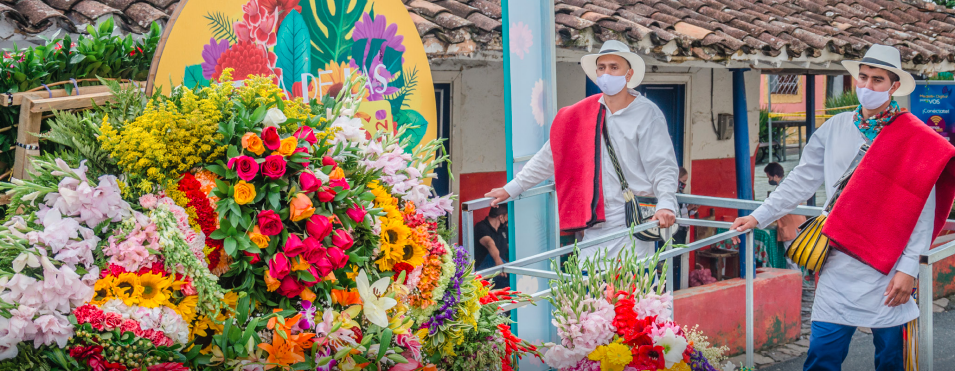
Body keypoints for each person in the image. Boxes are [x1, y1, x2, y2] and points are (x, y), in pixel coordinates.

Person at [731, 45, 955, 371]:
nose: (867, 86)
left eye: (877, 80)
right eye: (862, 77)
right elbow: (799, 181)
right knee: (822, 356)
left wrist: (909, 269)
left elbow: (922, 211)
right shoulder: (835, 127)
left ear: (894, 86)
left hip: (889, 267)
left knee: (892, 360)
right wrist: (757, 216)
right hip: (837, 260)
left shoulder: (915, 139)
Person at [485, 40, 680, 262]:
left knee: (631, 288)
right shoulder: (581, 113)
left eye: (614, 67)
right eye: (601, 67)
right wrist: (512, 188)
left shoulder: (647, 114)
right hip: (594, 221)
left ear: (628, 74)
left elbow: (662, 165)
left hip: (633, 219)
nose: (606, 73)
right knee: (590, 286)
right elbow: (550, 155)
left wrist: (666, 203)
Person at [764, 162, 808, 274]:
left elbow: (774, 208)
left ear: (775, 176)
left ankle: (796, 287)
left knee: (792, 260)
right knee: (798, 258)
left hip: (791, 227)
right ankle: (800, 284)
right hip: (799, 224)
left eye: (769, 177)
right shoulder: (788, 185)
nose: (769, 180)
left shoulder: (781, 189)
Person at [474, 204, 509, 289]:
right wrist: (498, 262)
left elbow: (509, 247)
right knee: (492, 258)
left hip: (499, 272)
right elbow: (489, 244)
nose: (508, 219)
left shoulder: (503, 229)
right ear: (501, 217)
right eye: (507, 216)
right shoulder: (481, 227)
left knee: (513, 270)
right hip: (484, 270)